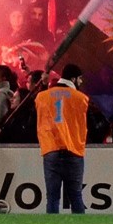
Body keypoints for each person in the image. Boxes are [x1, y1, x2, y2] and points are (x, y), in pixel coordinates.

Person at [36, 64, 89, 214]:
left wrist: (44, 85)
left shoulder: (42, 96)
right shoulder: (81, 98)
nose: (81, 82)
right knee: (76, 196)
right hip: (74, 150)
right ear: (73, 78)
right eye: (79, 79)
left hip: (51, 149)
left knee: (52, 197)